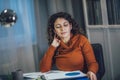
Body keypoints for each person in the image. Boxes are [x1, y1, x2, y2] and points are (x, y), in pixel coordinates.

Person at [40, 12, 98, 80]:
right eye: (58, 27)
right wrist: (52, 47)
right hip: (62, 78)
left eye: (65, 25)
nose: (62, 29)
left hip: (80, 77)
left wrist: (91, 71)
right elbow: (44, 69)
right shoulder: (55, 44)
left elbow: (92, 63)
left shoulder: (81, 40)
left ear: (70, 26)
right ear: (54, 31)